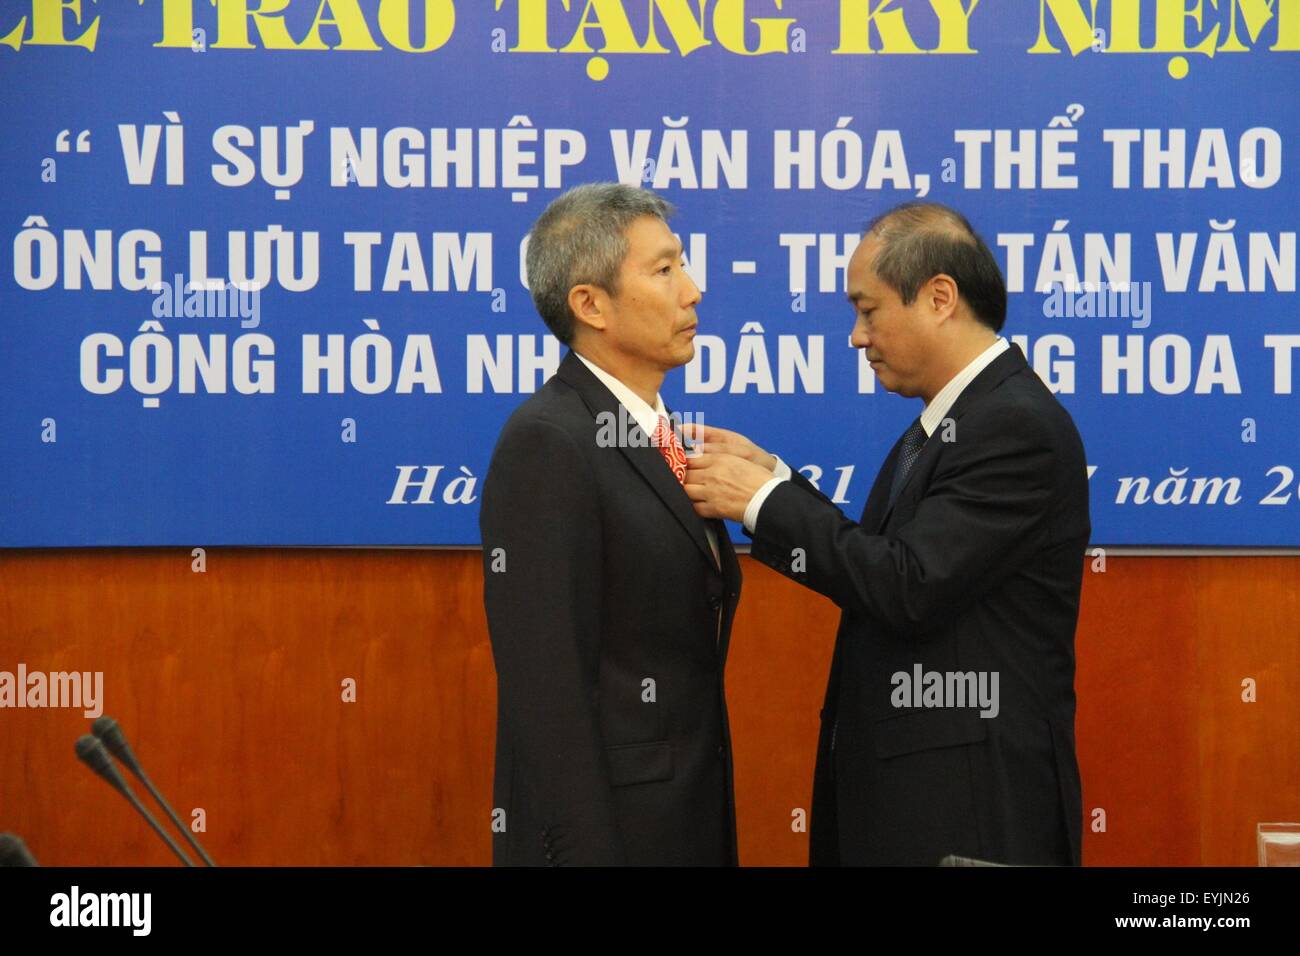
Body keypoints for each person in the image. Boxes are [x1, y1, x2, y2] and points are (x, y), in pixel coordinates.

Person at [683, 202, 1089, 866]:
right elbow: (884, 559)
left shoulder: (1014, 426)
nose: (856, 336)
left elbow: (907, 584)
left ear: (938, 298)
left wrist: (760, 501)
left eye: (868, 311)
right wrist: (775, 477)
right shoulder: (952, 420)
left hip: (967, 821)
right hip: (917, 810)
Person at [480, 183, 742, 866]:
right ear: (590, 304)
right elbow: (548, 690)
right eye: (664, 270)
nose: (693, 290)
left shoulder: (658, 434)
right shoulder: (548, 440)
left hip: (682, 825)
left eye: (682, 264)